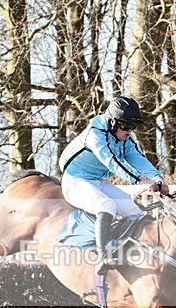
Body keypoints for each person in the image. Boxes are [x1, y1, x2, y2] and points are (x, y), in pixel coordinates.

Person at [59, 96, 169, 274]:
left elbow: (138, 158)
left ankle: (124, 249)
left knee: (135, 211)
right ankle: (102, 257)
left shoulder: (125, 137)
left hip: (98, 181)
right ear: (112, 122)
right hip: (75, 181)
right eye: (125, 126)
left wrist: (158, 177)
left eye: (132, 127)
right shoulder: (96, 135)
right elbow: (113, 162)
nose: (129, 131)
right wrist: (141, 180)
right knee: (106, 204)